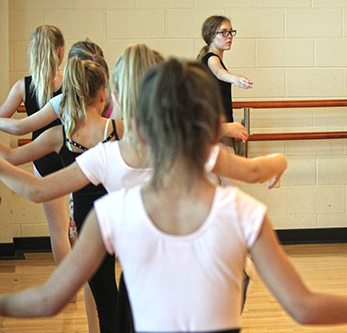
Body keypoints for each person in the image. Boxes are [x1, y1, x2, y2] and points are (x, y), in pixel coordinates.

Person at [0, 59, 347, 332]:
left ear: (137, 132)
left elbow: (48, 300)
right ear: (214, 132)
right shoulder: (245, 213)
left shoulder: (111, 213)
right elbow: (303, 307)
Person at [0, 44, 285, 332]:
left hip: (166, 280)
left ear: (113, 96)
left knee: (114, 305)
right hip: (198, 280)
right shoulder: (186, 146)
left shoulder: (107, 155)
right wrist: (280, 161)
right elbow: (257, 169)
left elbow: (36, 191)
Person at [0, 48, 124, 332]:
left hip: (89, 221)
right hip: (120, 216)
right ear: (103, 95)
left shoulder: (59, 135)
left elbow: (11, 158)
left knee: (105, 297)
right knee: (128, 294)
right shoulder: (120, 129)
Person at [0, 25, 70, 266]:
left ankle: (68, 291)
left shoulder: (23, 85)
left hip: (43, 157)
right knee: (78, 225)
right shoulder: (72, 82)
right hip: (72, 154)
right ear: (60, 52)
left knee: (59, 231)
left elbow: (3, 118)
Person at [198, 15, 252, 155]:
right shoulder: (211, 58)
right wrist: (234, 78)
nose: (229, 36)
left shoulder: (212, 58)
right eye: (223, 32)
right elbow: (218, 72)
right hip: (218, 129)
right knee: (230, 175)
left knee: (216, 177)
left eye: (230, 32)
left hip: (217, 128)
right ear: (211, 37)